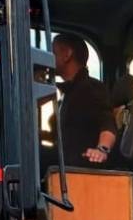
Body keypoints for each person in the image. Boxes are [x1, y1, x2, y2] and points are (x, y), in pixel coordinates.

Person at [46, 33, 117, 169]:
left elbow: (107, 122)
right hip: (63, 161)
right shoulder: (67, 93)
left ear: (67, 54)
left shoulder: (91, 88)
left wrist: (102, 150)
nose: (48, 58)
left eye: (53, 52)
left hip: (78, 163)